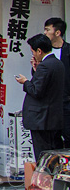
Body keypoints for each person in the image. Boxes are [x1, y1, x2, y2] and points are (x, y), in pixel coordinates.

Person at [16, 33, 66, 161]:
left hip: (41, 118)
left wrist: (25, 81)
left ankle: (44, 179)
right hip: (52, 117)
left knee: (43, 154)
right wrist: (36, 69)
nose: (33, 55)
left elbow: (36, 90)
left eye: (33, 52)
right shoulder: (58, 63)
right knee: (53, 151)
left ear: (39, 50)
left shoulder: (45, 66)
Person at [45, 17, 70, 147]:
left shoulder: (68, 50)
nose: (45, 33)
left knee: (68, 134)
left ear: (57, 32)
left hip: (67, 101)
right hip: (50, 102)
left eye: (47, 29)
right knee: (52, 138)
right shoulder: (44, 52)